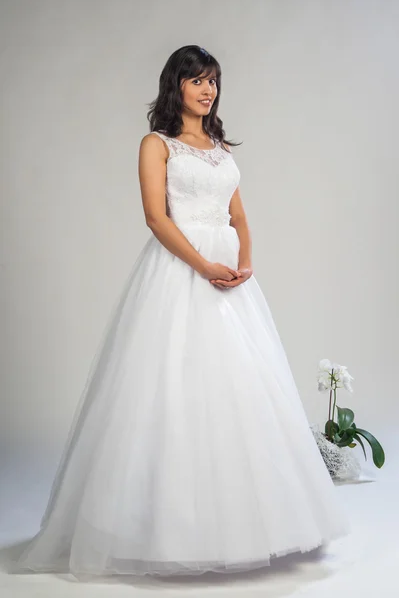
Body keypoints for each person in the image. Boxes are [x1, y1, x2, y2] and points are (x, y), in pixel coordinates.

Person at [11, 45, 350, 580]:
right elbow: (155, 216)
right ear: (176, 86)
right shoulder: (156, 144)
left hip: (230, 278)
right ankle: (164, 530)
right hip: (180, 271)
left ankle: (249, 523)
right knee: (170, 390)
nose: (207, 89)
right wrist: (202, 265)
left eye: (213, 81)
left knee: (240, 390)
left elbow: (239, 212)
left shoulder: (219, 147)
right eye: (196, 80)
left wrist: (245, 262)